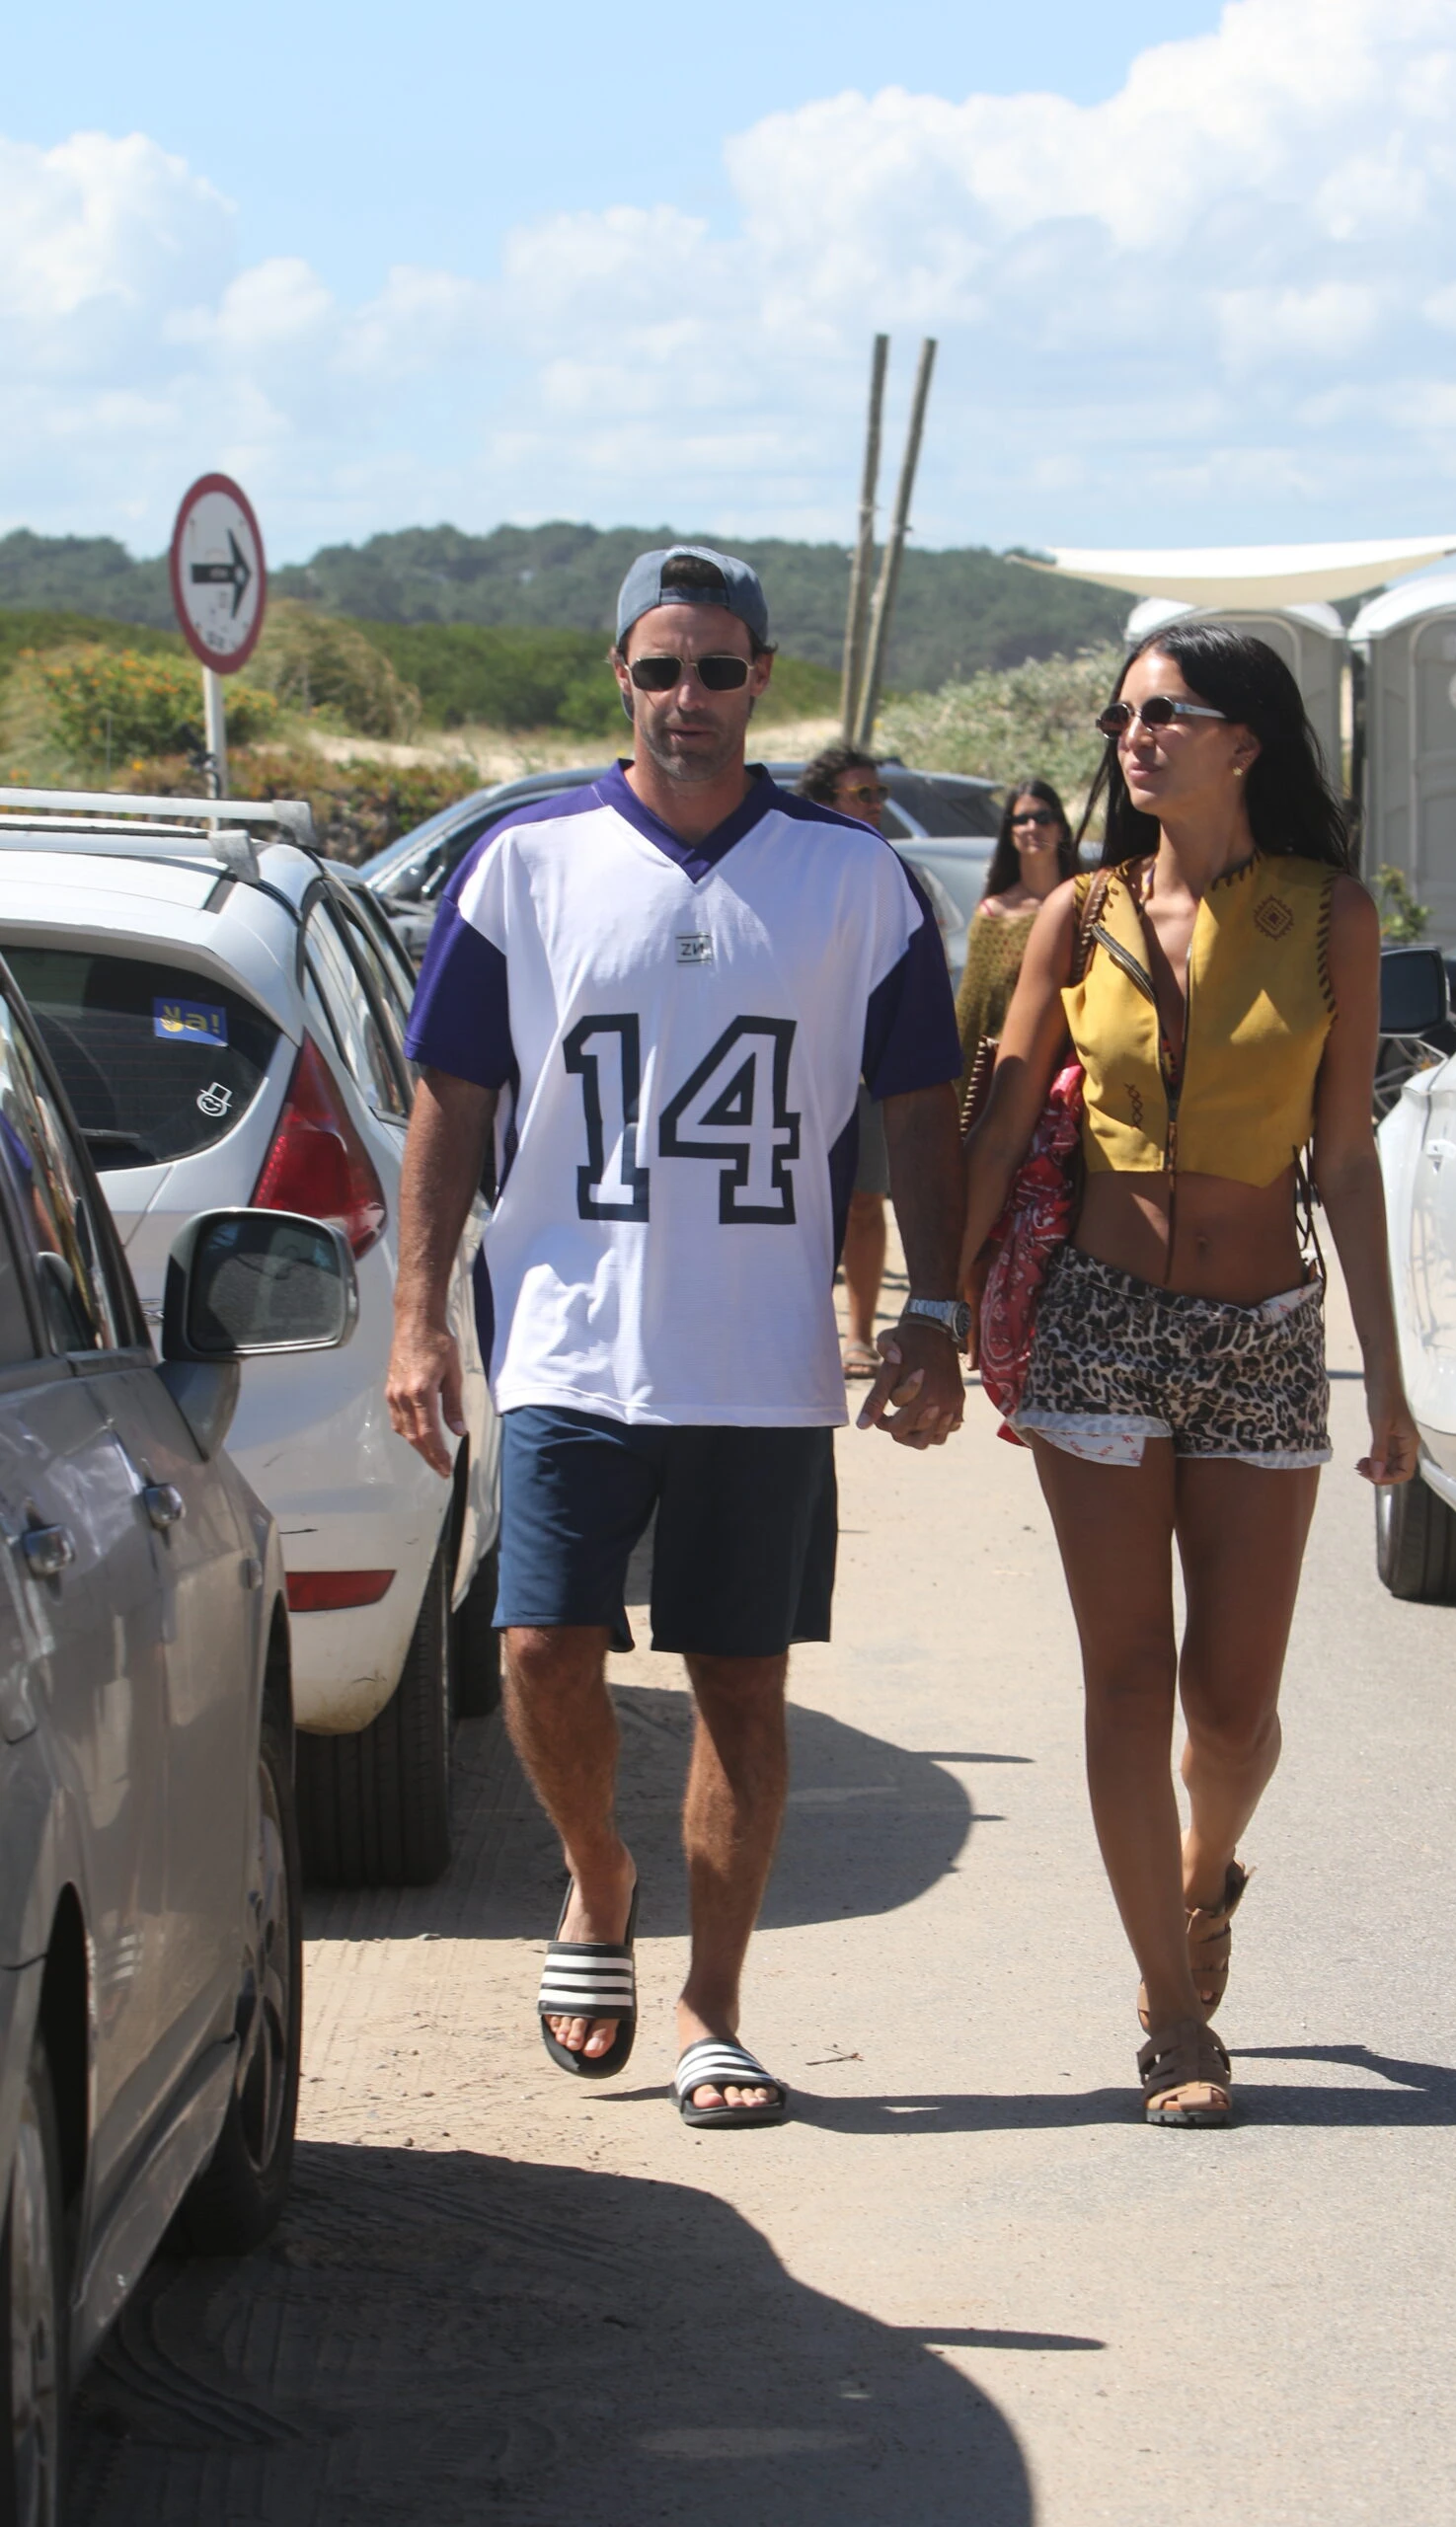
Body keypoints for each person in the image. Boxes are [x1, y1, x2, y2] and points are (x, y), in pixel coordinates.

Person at [387, 547, 967, 2130]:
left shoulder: (852, 878)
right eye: (660, 670)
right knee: (534, 1646)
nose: (687, 700)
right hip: (572, 1336)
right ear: (619, 680)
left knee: (739, 1688)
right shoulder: (524, 863)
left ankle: (715, 2005)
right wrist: (418, 1315)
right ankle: (596, 1881)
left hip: (759, 1361)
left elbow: (920, 1107)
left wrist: (933, 1308)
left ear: (760, 681)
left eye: (718, 671)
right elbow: (454, 1099)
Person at [960, 623, 1417, 2130]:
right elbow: (1006, 1106)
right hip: (1098, 1320)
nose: (1133, 736)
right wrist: (936, 1307)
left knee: (1227, 1708)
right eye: (1123, 716)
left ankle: (1205, 1870)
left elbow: (1341, 1157)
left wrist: (1390, 1382)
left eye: (1168, 713)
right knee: (1123, 1677)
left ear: (1247, 742)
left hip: (1264, 1332)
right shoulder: (1072, 915)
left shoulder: (1323, 915)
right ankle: (1168, 2017)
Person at [795, 744, 897, 1378]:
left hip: (868, 1074)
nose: (877, 805)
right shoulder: (797, 873)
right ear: (825, 804)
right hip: (800, 1074)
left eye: (879, 794)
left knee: (865, 1202)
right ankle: (802, 1330)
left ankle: (858, 1335)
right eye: (863, 795)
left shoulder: (892, 871)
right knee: (801, 1208)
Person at [955, 778, 1079, 1096]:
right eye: (1021, 819)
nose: (1032, 826)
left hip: (1074, 1074)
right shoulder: (994, 915)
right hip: (1011, 1076)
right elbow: (972, 1011)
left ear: (1061, 828)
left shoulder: (1087, 905)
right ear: (1010, 833)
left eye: (1043, 817)